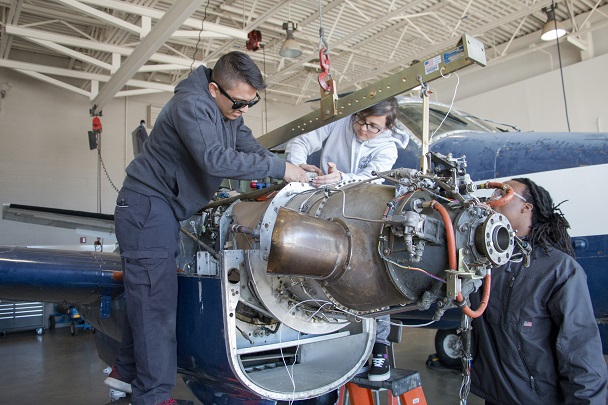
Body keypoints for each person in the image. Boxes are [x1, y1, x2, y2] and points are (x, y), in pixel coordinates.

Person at [104, 51, 308, 405]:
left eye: (251, 103)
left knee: (150, 297)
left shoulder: (228, 112)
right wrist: (281, 171)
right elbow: (214, 158)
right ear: (214, 89)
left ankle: (126, 372)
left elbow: (250, 148)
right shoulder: (192, 105)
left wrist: (299, 170)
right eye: (240, 103)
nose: (244, 110)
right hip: (146, 206)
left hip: (165, 209)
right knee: (157, 305)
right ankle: (152, 396)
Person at [285, 98, 409, 382]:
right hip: (325, 212)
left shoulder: (387, 147)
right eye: (360, 121)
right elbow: (303, 140)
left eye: (373, 127)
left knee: (376, 277)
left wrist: (341, 179)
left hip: (364, 218)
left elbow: (373, 181)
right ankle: (314, 337)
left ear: (387, 128)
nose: (363, 130)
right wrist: (297, 168)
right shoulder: (341, 122)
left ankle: (380, 347)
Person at [470, 178, 608, 404]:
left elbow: (581, 352)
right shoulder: (483, 264)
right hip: (495, 397)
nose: (492, 200)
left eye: (503, 194)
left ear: (527, 207)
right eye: (493, 195)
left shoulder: (559, 269)